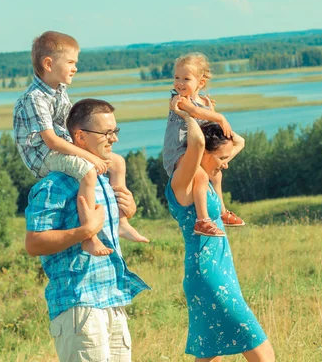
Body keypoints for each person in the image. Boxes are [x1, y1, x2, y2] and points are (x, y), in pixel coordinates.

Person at [25, 98, 150, 361]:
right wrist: (84, 232)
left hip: (112, 299)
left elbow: (110, 229)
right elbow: (33, 243)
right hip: (79, 306)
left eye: (115, 131)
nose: (113, 139)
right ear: (80, 136)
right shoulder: (55, 185)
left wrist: (127, 212)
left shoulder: (102, 179)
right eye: (106, 133)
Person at [14, 31, 148, 257]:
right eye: (71, 62)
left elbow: (70, 127)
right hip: (42, 155)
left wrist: (94, 152)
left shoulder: (60, 92)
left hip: (58, 147)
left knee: (117, 162)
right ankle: (90, 237)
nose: (75, 67)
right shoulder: (34, 97)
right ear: (48, 64)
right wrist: (90, 157)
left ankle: (122, 221)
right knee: (87, 172)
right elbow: (51, 140)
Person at [165, 96, 275, 361]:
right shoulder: (184, 183)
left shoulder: (208, 176)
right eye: (221, 158)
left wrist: (215, 117)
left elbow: (239, 142)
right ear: (201, 155)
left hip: (222, 270)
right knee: (263, 352)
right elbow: (199, 143)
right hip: (208, 275)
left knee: (209, 354)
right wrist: (189, 114)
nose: (226, 163)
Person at [163, 52, 246, 237]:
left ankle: (223, 212)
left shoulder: (204, 102)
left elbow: (205, 122)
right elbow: (195, 112)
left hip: (196, 151)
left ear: (200, 83)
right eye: (176, 77)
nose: (179, 83)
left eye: (186, 78)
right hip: (178, 152)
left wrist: (211, 110)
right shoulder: (179, 100)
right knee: (200, 176)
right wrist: (219, 116)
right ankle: (202, 221)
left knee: (216, 177)